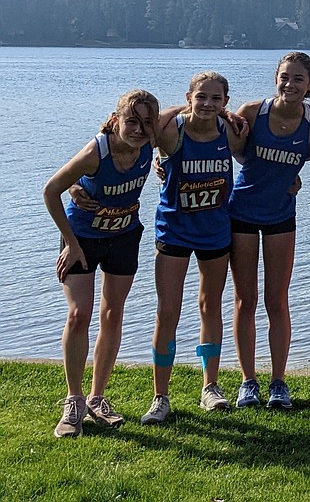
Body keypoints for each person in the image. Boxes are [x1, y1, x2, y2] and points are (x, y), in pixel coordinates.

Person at [43, 89, 159, 438]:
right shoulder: (97, 152)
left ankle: (97, 398)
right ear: (115, 120)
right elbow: (51, 190)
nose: (139, 129)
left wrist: (228, 115)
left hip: (124, 237)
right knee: (79, 314)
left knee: (113, 314)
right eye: (132, 121)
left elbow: (189, 110)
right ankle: (73, 401)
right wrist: (71, 244)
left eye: (146, 122)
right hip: (82, 242)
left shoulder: (151, 142)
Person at [139, 73, 249, 425]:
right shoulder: (174, 132)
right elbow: (152, 124)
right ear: (189, 97)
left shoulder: (229, 133)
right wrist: (181, 108)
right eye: (200, 97)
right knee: (167, 311)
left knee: (209, 306)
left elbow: (255, 156)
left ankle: (210, 386)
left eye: (216, 99)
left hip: (215, 233)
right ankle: (160, 396)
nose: (207, 105)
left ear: (225, 102)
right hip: (174, 231)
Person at [228, 52, 310, 409]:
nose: (290, 84)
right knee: (245, 300)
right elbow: (211, 138)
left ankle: (278, 383)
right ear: (276, 78)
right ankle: (247, 382)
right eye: (285, 77)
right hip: (241, 212)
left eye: (298, 79)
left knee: (277, 300)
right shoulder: (252, 111)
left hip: (281, 217)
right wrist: (167, 165)